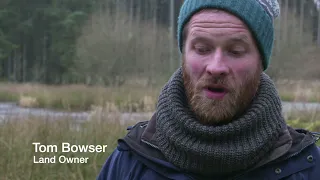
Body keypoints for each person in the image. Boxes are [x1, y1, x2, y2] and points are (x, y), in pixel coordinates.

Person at [97, 0, 320, 179]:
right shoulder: (130, 161)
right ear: (184, 54)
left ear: (261, 60)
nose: (216, 67)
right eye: (202, 48)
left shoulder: (305, 167)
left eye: (236, 51)